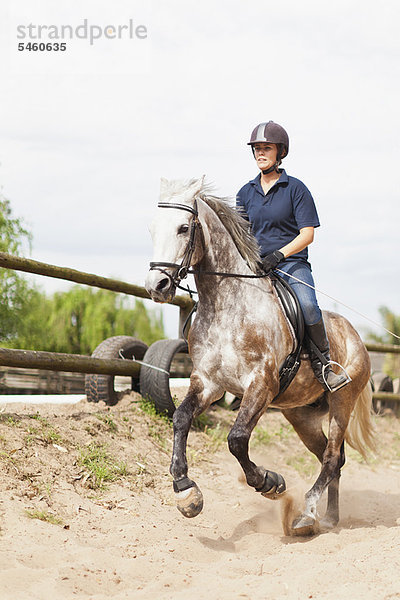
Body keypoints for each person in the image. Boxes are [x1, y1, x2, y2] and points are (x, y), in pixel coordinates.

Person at [236, 121, 349, 393]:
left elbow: (307, 234)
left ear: (280, 152)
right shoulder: (245, 193)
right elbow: (240, 235)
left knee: (308, 306)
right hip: (257, 267)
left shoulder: (295, 189)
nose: (260, 153)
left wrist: (279, 254)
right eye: (257, 149)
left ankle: (324, 367)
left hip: (290, 264)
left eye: (266, 148)